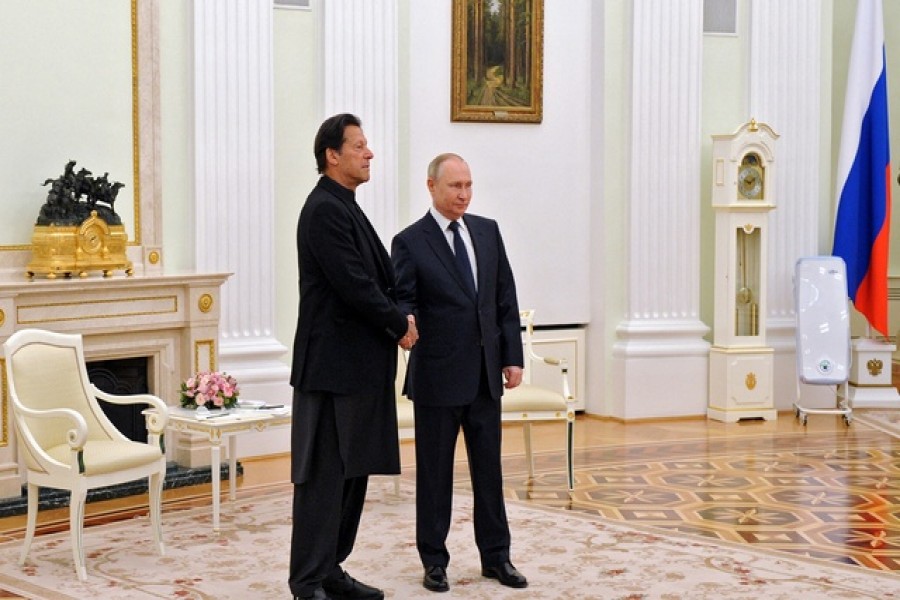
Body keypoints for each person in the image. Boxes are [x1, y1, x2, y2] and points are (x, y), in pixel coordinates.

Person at [289, 113, 418, 600]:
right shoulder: (324, 209)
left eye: (368, 146)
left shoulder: (346, 206)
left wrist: (399, 313)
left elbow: (376, 278)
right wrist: (398, 323)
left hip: (357, 369)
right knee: (323, 479)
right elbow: (353, 285)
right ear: (332, 155)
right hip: (330, 370)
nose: (370, 153)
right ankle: (306, 581)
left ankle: (330, 569)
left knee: (351, 475)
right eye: (359, 146)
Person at [391, 153, 528, 593]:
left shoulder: (487, 232)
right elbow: (404, 299)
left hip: (486, 375)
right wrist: (404, 322)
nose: (463, 195)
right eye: (454, 187)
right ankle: (434, 561)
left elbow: (503, 297)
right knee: (434, 476)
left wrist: (512, 356)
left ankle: (497, 558)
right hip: (437, 378)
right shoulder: (410, 241)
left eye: (468, 185)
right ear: (431, 186)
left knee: (490, 473)